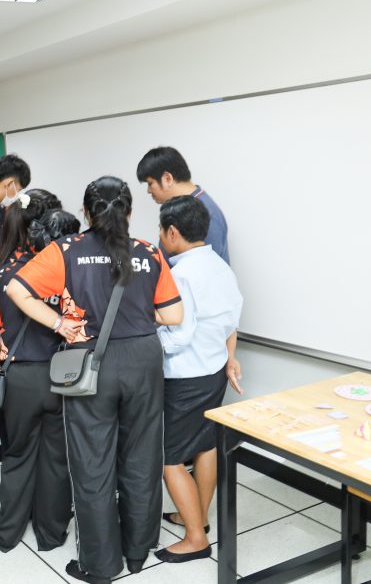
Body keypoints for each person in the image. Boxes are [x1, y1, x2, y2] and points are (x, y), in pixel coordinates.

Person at [7, 176, 183, 583]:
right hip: (143, 360)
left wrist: (59, 324)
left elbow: (17, 290)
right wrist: (138, 318)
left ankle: (100, 564)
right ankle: (138, 551)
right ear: (130, 213)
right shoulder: (148, 252)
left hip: (91, 361)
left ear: (86, 212)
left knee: (92, 463)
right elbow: (174, 315)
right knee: (142, 458)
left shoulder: (66, 250)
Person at [0, 198, 79, 554]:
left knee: (18, 453)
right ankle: (51, 532)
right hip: (63, 375)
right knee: (56, 458)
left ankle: (8, 530)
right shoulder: (69, 272)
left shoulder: (4, 274)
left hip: (19, 377)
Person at [155, 196, 243, 564]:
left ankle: (195, 538)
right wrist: (230, 357)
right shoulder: (221, 267)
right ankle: (198, 517)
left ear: (173, 232)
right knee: (205, 446)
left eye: (161, 230)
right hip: (214, 371)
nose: (160, 237)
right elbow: (232, 321)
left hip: (185, 377)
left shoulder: (180, 275)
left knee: (169, 457)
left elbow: (178, 337)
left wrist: (150, 333)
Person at [136, 146, 230, 264]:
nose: (149, 191)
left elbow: (206, 269)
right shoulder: (180, 208)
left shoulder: (206, 214)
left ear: (167, 178)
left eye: (150, 183)